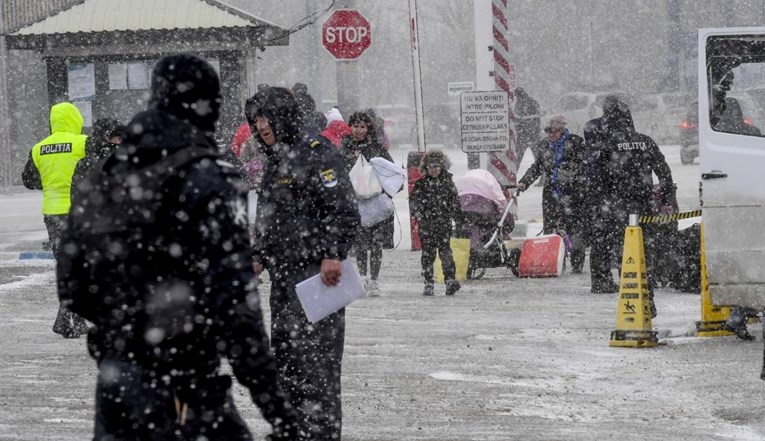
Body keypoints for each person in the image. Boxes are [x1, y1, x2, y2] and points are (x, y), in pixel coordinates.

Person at [56, 54, 299, 441]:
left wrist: (125, 322)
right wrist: (276, 407)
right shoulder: (213, 179)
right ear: (208, 105)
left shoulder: (105, 174)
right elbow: (236, 307)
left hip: (119, 385)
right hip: (187, 388)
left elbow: (73, 285)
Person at [247, 86, 359, 440]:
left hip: (317, 277)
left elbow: (342, 208)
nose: (261, 126)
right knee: (286, 357)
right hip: (283, 278)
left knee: (318, 364)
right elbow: (268, 215)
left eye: (265, 118)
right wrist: (258, 255)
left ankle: (320, 432)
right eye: (256, 121)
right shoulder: (276, 159)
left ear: (282, 116)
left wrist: (332, 252)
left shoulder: (317, 152)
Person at [590, 96, 674, 316]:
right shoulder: (646, 141)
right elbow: (664, 171)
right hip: (644, 205)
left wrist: (601, 203)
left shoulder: (608, 145)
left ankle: (631, 298)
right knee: (646, 251)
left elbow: (596, 179)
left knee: (625, 254)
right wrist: (665, 198)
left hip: (618, 206)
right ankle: (649, 297)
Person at [21, 101, 88, 339]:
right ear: (75, 120)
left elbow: (29, 180)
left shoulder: (39, 148)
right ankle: (67, 317)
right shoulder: (82, 143)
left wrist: (51, 182)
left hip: (52, 214)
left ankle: (75, 320)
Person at [517, 115, 587, 273]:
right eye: (548, 131)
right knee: (550, 228)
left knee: (574, 228)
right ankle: (554, 262)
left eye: (554, 131)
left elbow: (585, 165)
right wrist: (524, 182)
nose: (551, 134)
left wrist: (576, 179)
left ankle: (577, 264)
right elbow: (536, 167)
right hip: (551, 192)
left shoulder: (575, 142)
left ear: (562, 131)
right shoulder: (544, 145)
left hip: (572, 192)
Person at [341, 110, 395, 295]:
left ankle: (374, 280)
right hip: (355, 201)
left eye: (362, 126)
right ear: (350, 127)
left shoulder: (376, 148)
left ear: (368, 128)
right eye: (355, 126)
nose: (358, 130)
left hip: (374, 202)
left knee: (376, 244)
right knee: (361, 244)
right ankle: (363, 277)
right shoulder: (345, 147)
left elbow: (389, 170)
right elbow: (339, 171)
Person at [410, 149, 462, 296]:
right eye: (430, 167)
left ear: (442, 167)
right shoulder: (421, 184)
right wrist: (419, 214)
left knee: (446, 253)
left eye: (437, 166)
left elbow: (455, 202)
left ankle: (450, 280)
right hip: (426, 224)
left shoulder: (447, 183)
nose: (433, 170)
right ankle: (428, 282)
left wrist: (457, 218)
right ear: (426, 168)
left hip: (443, 223)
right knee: (428, 254)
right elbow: (414, 202)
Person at [70, 117, 124, 198]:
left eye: (119, 139)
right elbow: (77, 195)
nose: (117, 142)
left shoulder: (127, 162)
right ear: (101, 140)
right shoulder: (88, 164)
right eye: (112, 139)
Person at [514, 87, 541, 167]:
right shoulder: (534, 102)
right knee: (539, 159)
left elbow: (517, 120)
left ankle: (513, 176)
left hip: (523, 136)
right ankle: (545, 175)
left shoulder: (519, 104)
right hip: (534, 135)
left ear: (517, 95)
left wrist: (518, 131)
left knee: (518, 159)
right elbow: (538, 120)